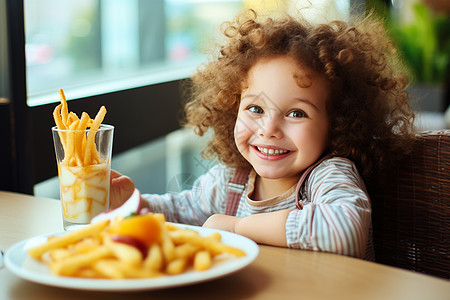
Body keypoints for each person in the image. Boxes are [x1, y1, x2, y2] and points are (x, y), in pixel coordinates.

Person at [109, 9, 416, 260]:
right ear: (232, 108)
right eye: (255, 109)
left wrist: (238, 226)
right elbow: (180, 211)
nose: (268, 129)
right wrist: (131, 202)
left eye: (297, 113)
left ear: (338, 124)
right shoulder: (230, 182)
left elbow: (344, 230)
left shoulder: (328, 176)